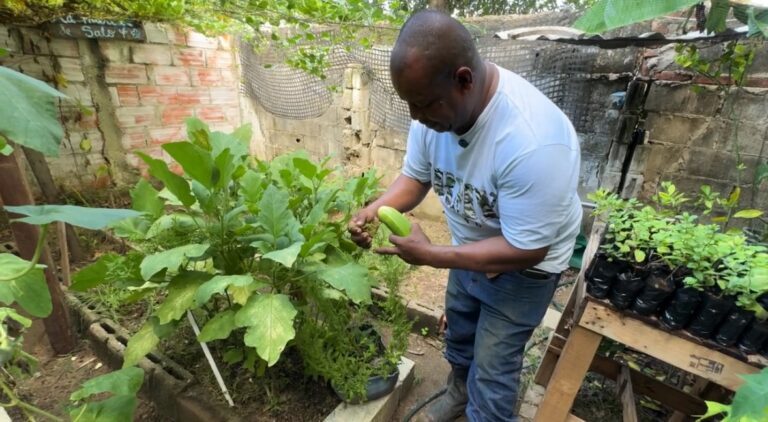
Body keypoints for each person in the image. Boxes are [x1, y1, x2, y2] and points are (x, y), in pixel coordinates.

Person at [347, 9, 582, 422]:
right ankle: (458, 391)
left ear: (463, 79)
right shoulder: (434, 113)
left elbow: (526, 249)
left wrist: (432, 254)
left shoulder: (533, 141)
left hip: (524, 269)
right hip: (468, 249)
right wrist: (374, 208)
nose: (416, 117)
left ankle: (483, 412)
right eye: (410, 105)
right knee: (460, 334)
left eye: (423, 105)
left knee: (493, 369)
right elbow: (416, 178)